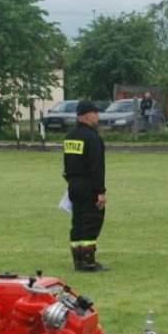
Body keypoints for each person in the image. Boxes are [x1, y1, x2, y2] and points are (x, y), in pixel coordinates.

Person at [64, 100, 108, 272]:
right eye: (96, 113)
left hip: (73, 185)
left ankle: (78, 260)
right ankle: (88, 262)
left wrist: (72, 183)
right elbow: (97, 167)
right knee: (92, 222)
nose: (98, 116)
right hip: (89, 186)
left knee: (78, 222)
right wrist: (101, 192)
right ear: (88, 115)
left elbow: (66, 165)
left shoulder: (70, 137)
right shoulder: (92, 138)